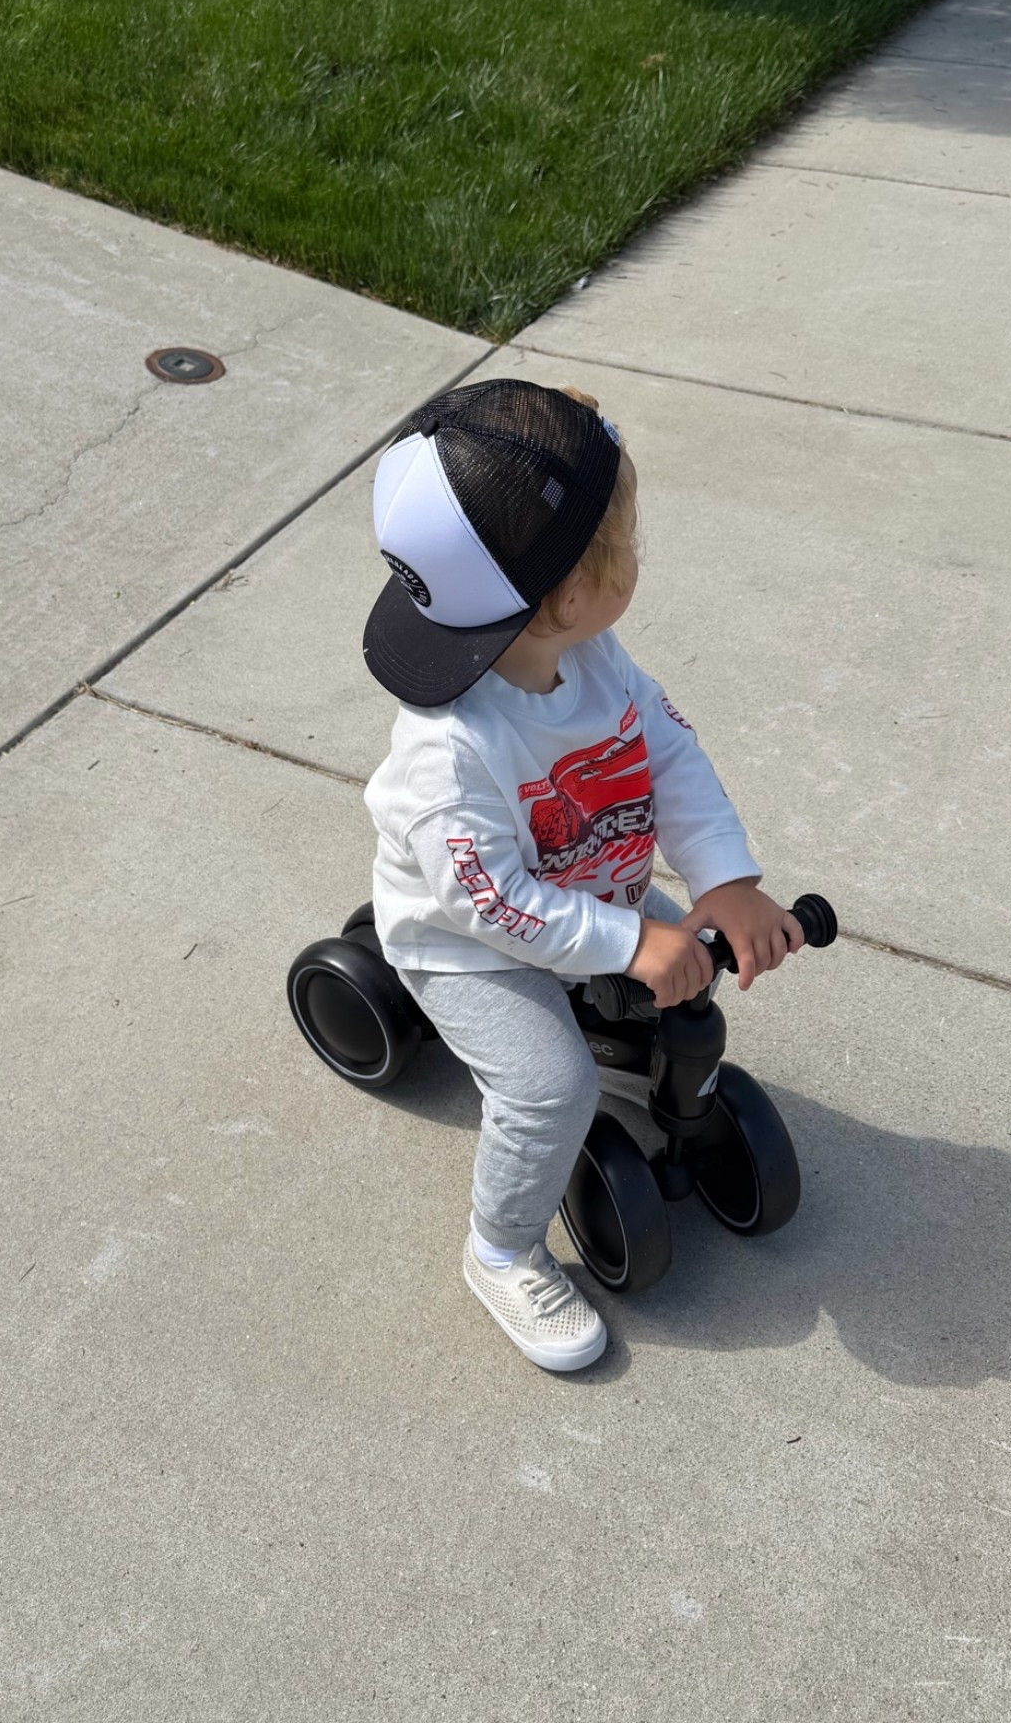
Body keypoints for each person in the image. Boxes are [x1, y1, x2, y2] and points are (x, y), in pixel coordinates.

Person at [362, 378, 804, 1371]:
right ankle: (501, 1248)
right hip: (470, 942)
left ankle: (635, 998)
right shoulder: (449, 754)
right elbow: (496, 904)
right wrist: (629, 939)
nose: (639, 562)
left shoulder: (593, 656)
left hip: (586, 889)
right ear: (567, 593)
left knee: (682, 957)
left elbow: (668, 754)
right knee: (554, 1088)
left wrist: (723, 880)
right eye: (629, 549)